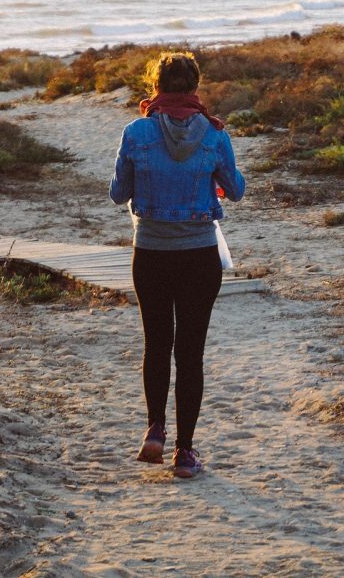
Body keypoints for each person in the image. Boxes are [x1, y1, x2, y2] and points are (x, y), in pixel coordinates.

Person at [109, 51, 246, 478]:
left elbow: (118, 194)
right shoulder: (214, 134)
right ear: (194, 87)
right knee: (191, 354)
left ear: (156, 87)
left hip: (150, 252)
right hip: (199, 255)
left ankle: (155, 430)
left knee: (156, 344)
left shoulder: (136, 132)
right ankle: (185, 453)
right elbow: (236, 189)